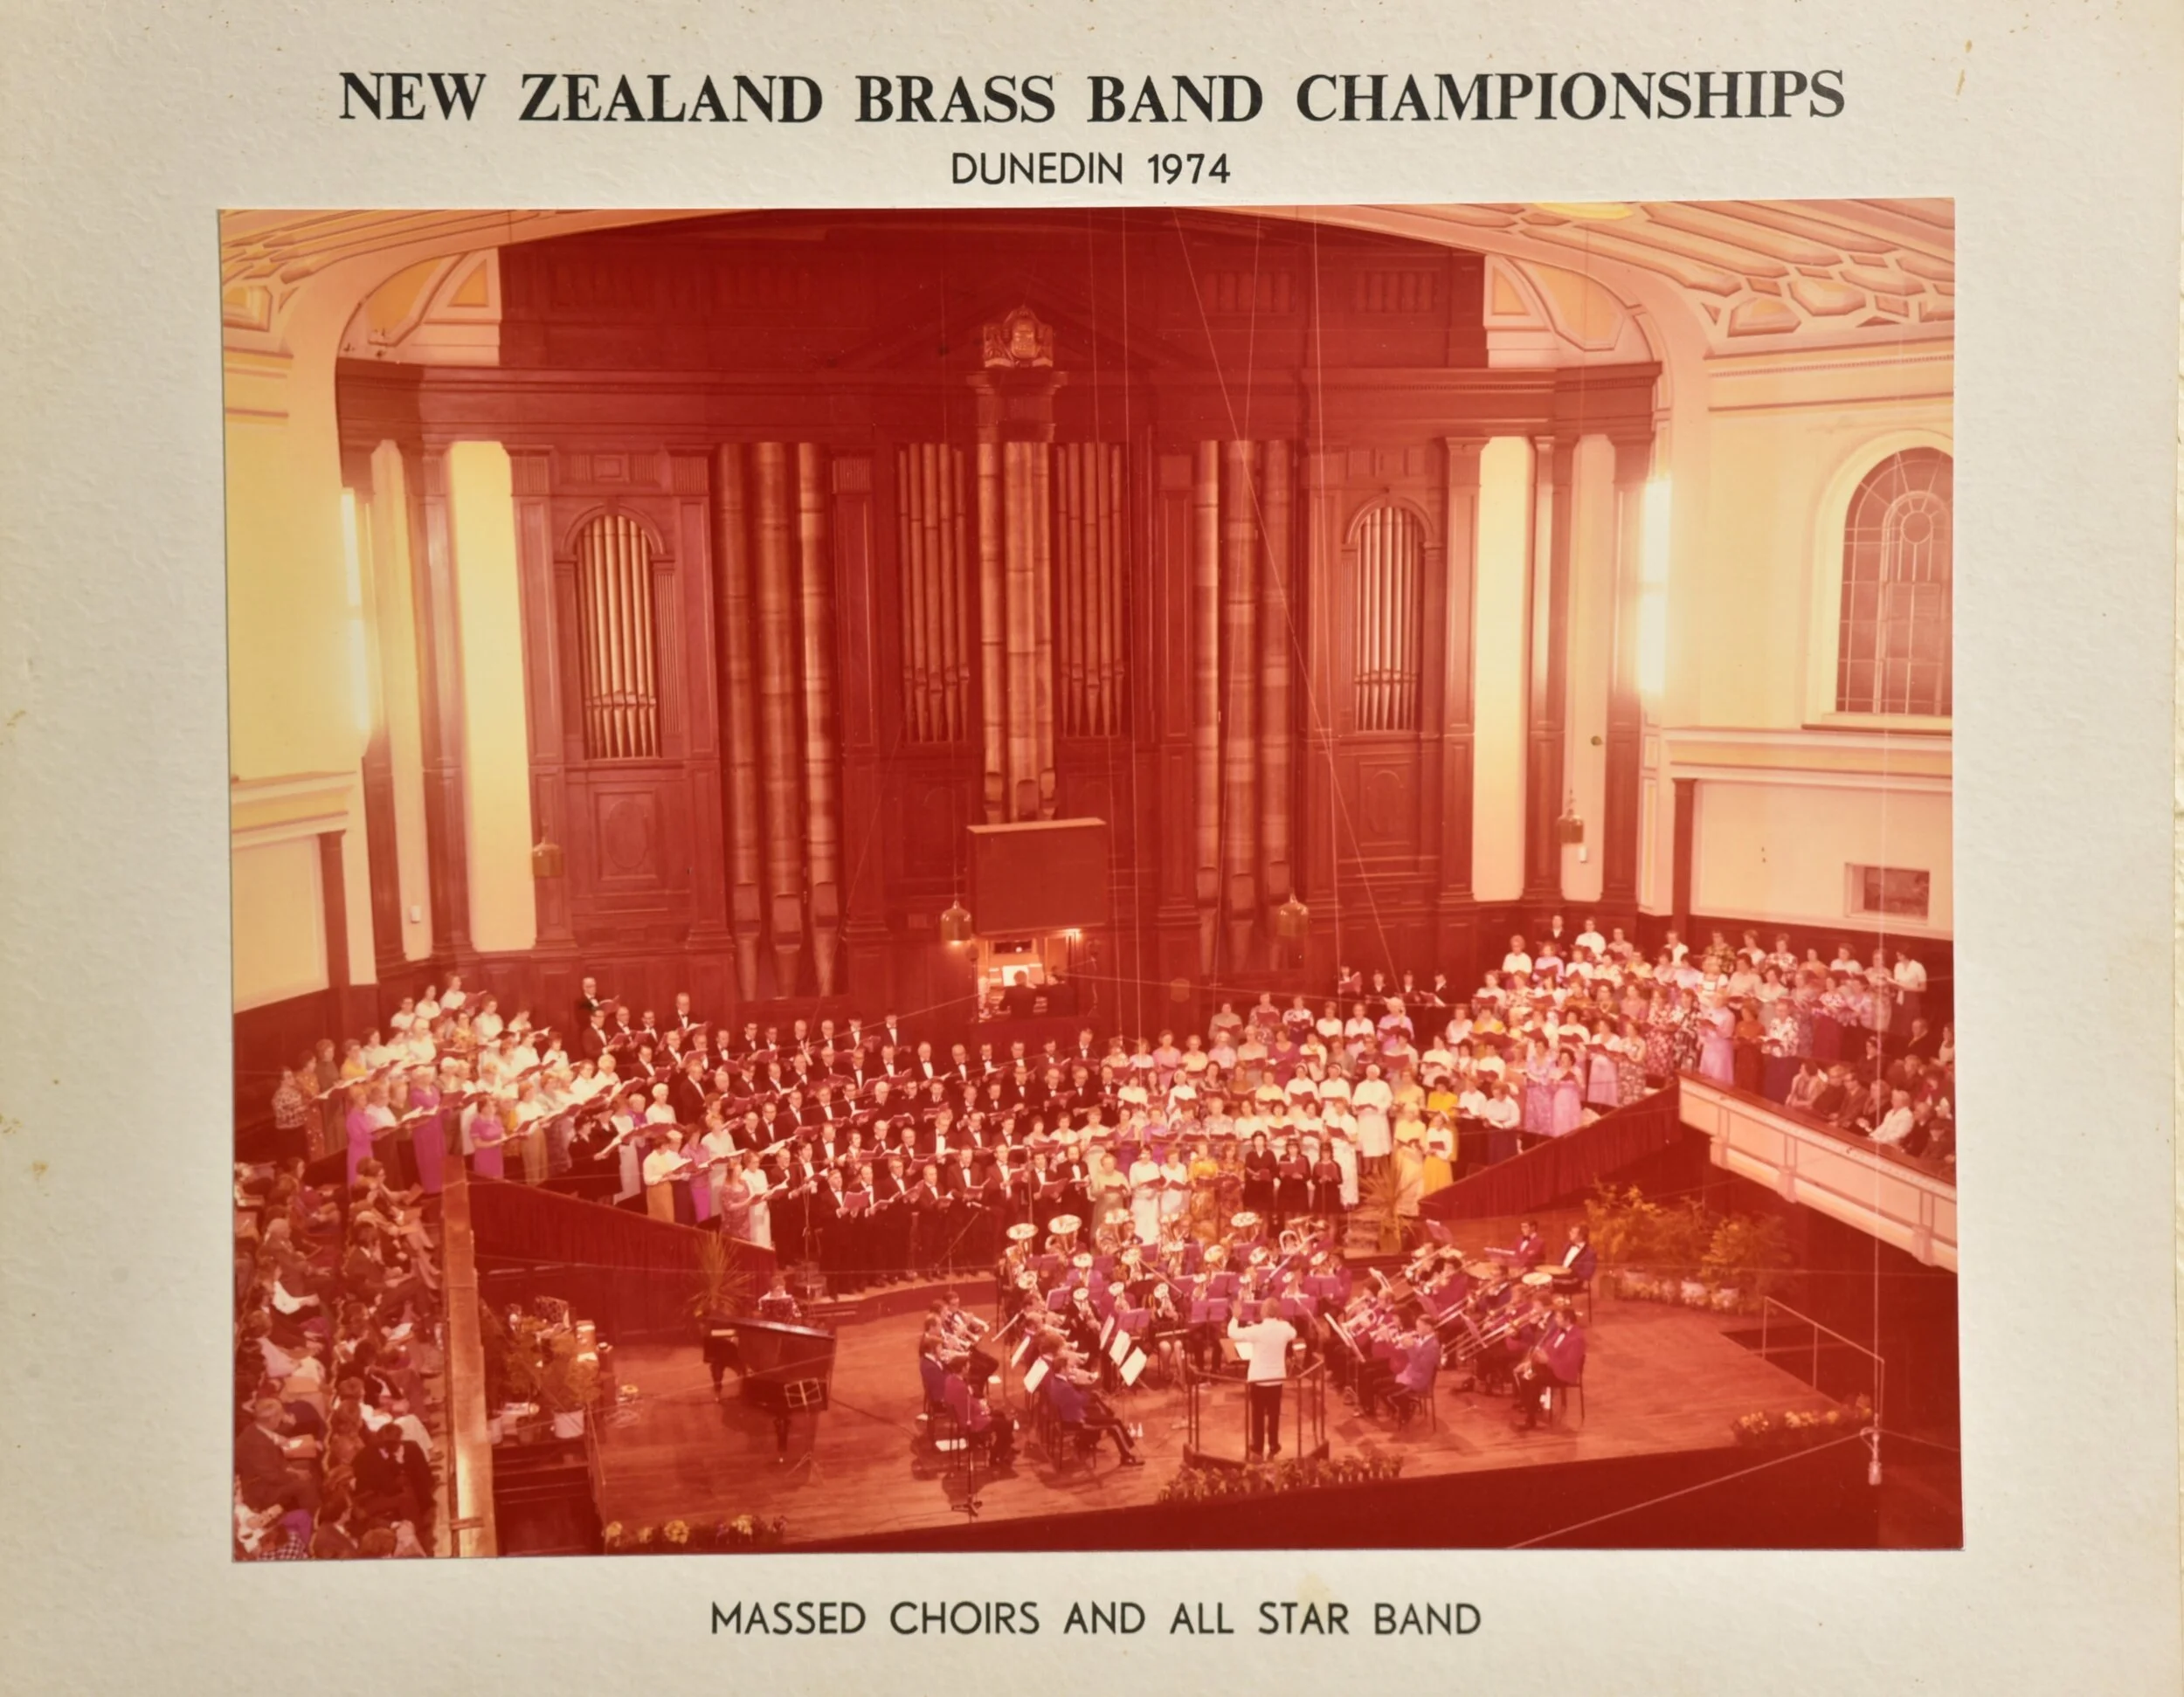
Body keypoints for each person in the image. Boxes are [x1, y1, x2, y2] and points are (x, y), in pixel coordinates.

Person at [1227, 1297, 1297, 1461]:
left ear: (1262, 1312)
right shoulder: (1284, 1327)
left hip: (1258, 1379)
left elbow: (1233, 1333)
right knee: (1274, 1414)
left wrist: (1235, 1317)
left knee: (1257, 1414)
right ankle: (1273, 1444)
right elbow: (1294, 1334)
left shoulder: (1257, 1330)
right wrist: (1280, 1322)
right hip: (1277, 1378)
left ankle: (1257, 1447)